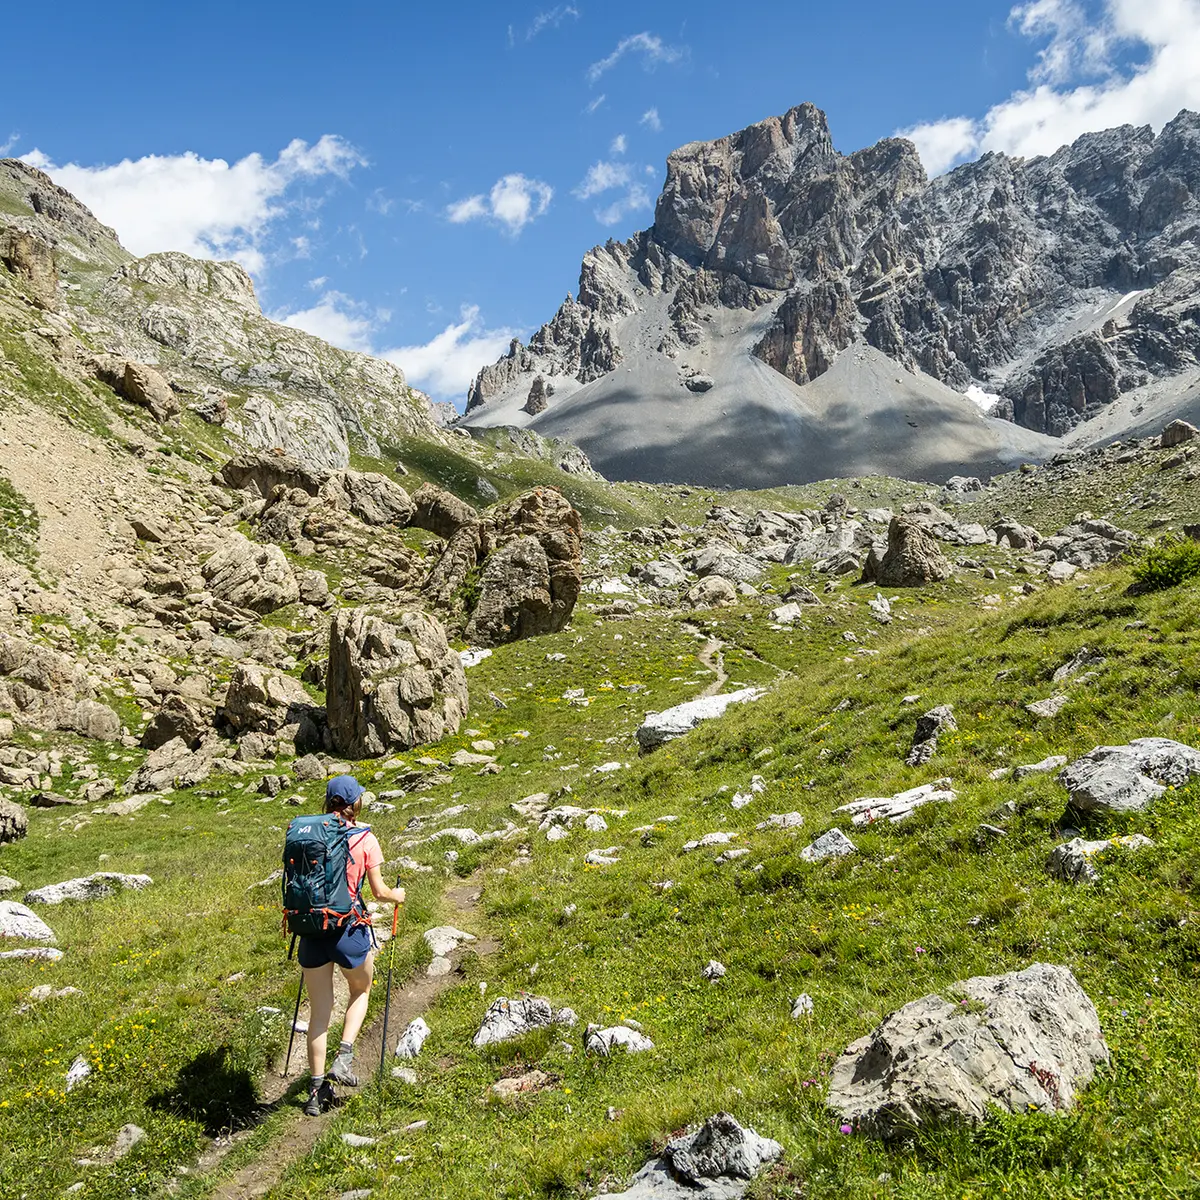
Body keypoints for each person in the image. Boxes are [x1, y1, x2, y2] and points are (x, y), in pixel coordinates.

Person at [298, 774, 404, 1116]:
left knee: (319, 1014)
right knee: (361, 989)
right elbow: (379, 892)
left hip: (312, 931)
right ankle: (343, 1057)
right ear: (356, 803)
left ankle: (315, 1093)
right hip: (347, 929)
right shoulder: (365, 838)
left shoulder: (307, 833)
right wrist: (397, 895)